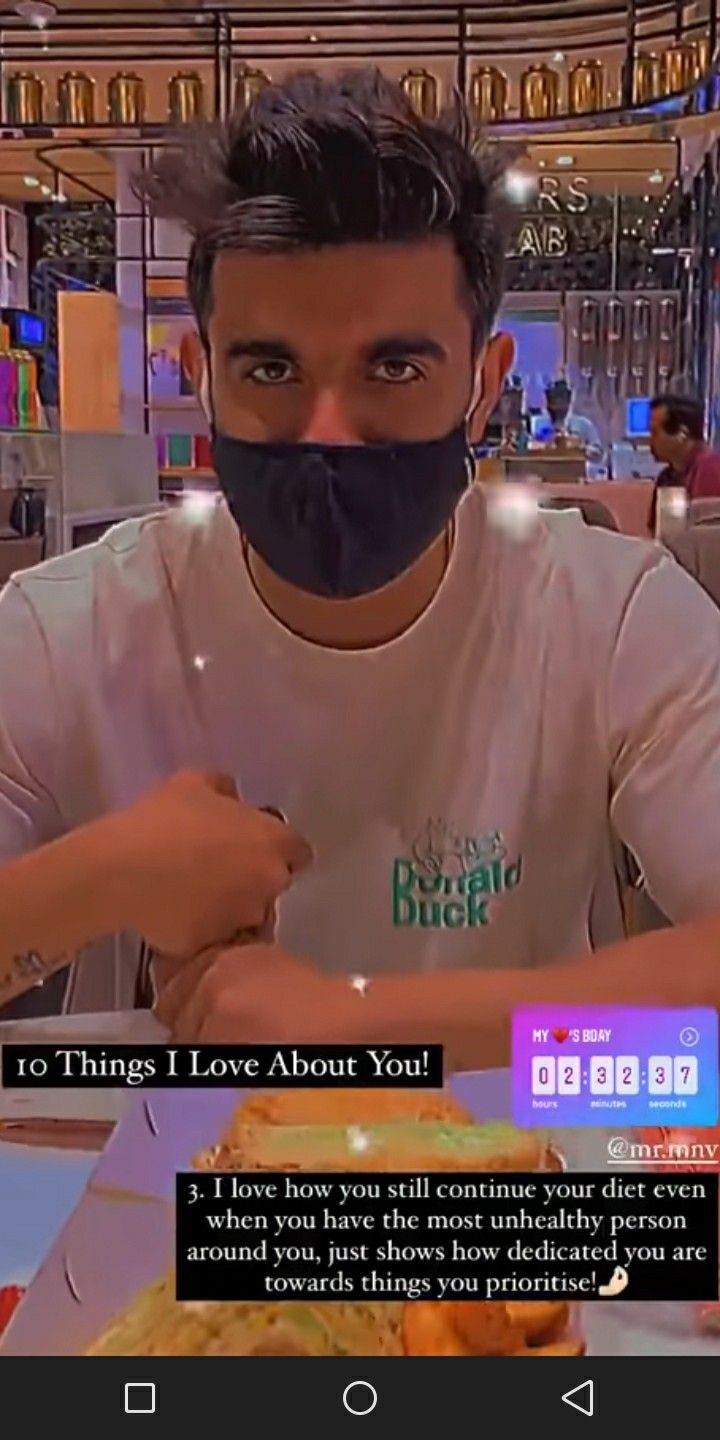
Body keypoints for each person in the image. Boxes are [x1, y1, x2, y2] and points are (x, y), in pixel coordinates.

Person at [1, 69, 720, 1051]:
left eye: (393, 367)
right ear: (200, 373)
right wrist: (104, 874)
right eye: (270, 368)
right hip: (159, 1182)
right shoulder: (65, 630)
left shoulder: (610, 614)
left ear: (483, 383)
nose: (329, 432)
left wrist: (355, 1024)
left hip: (517, 1182)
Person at [650, 393, 720, 513]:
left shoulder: (710, 469)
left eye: (655, 432)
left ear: (682, 434)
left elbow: (704, 527)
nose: (650, 440)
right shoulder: (666, 478)